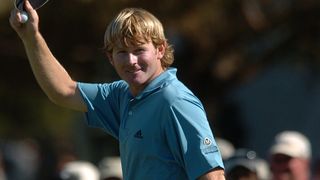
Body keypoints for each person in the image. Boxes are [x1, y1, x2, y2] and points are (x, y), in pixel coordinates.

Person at [9, 1, 225, 179]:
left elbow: (212, 176)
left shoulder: (175, 100)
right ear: (110, 58)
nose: (131, 61)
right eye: (122, 52)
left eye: (139, 50)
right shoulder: (123, 95)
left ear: (160, 50)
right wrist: (30, 37)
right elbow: (63, 91)